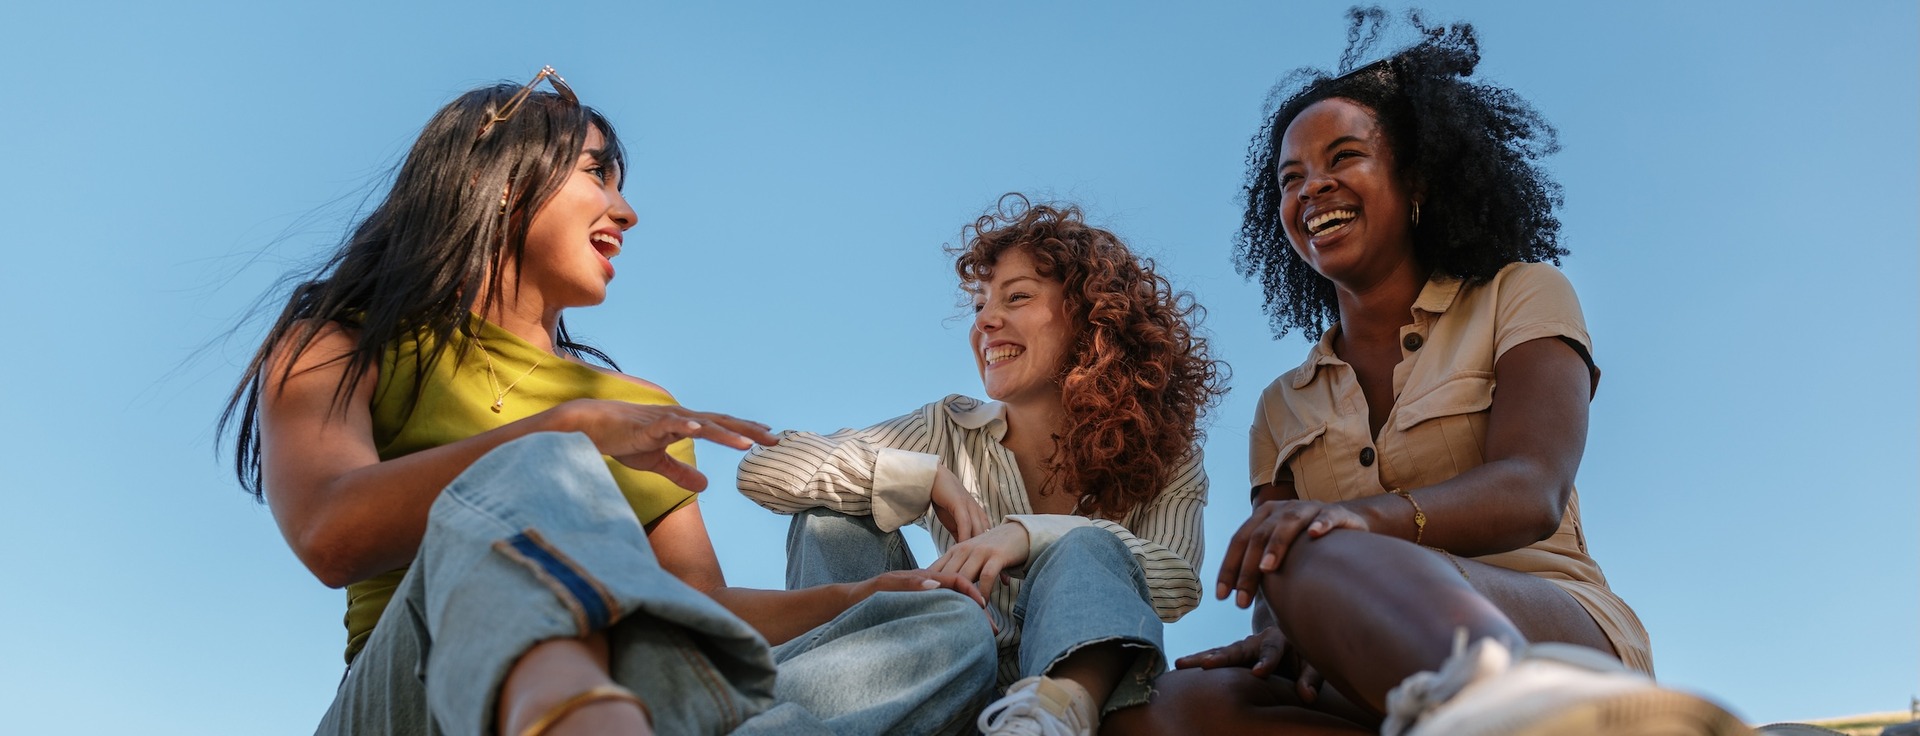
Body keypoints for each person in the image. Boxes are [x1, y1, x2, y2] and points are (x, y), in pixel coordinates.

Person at [220, 67, 997, 736]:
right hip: (418, 703)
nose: (625, 215)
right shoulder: (342, 338)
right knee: (539, 472)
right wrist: (562, 435)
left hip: (643, 694)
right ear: (500, 184)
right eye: (596, 175)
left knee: (948, 630)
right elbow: (329, 532)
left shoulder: (638, 409)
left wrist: (855, 597)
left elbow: (701, 612)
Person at [1104, 10, 1749, 736]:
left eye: (1343, 158)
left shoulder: (1521, 294)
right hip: (1372, 681)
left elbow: (1532, 488)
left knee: (1320, 546)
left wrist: (1359, 524)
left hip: (1548, 626)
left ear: (1414, 182)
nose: (1313, 188)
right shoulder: (1280, 406)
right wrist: (1283, 629)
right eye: (1292, 179)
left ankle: (1519, 708)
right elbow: (1272, 569)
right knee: (1165, 712)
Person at [735, 197, 1228, 736]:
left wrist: (1029, 535)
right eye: (978, 306)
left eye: (1017, 298)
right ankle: (799, 706)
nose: (987, 321)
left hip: (1059, 694)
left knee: (1089, 544)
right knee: (832, 516)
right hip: (927, 672)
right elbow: (763, 468)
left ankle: (1051, 716)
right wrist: (921, 478)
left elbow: (1176, 582)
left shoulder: (1168, 455)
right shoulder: (946, 428)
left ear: (1093, 321)